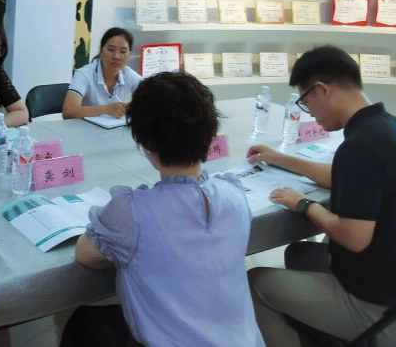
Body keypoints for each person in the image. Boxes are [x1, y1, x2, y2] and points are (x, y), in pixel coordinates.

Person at [247, 45, 396, 347]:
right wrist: (280, 158)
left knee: (255, 282)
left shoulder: (362, 146)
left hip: (385, 314)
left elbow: (354, 238)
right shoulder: (389, 126)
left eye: (305, 102)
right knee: (297, 254)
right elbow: (341, 175)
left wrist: (305, 205)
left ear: (322, 90)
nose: (310, 113)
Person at [73, 71, 264, 346]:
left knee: (83, 321)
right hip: (246, 341)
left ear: (146, 143)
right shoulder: (234, 193)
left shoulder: (131, 211)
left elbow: (85, 254)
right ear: (210, 134)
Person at [62, 27, 142, 119]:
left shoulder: (127, 74)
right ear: (101, 51)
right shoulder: (84, 74)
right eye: (111, 50)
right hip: (84, 126)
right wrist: (107, 109)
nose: (116, 56)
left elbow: (151, 92)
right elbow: (68, 112)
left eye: (123, 52)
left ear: (129, 55)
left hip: (115, 126)